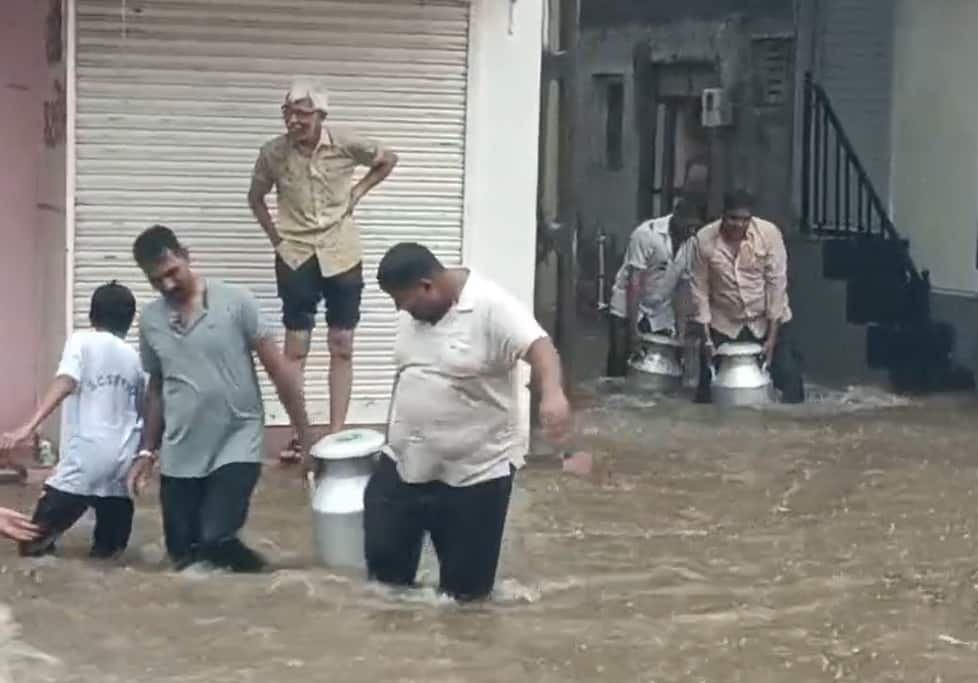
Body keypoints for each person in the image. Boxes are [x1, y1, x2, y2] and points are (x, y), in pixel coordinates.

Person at [365, 243, 572, 602]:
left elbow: (541, 348)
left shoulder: (491, 306)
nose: (401, 310)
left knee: (465, 602)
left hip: (474, 477)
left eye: (404, 302)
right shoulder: (417, 314)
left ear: (427, 286)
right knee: (385, 588)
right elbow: (406, 378)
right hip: (404, 467)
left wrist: (552, 393)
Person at [126, 225, 312, 573]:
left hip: (236, 439)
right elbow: (156, 390)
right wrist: (147, 452)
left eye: (172, 272)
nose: (168, 285)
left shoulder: (235, 302)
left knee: (217, 538)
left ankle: (275, 582)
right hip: (180, 450)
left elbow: (280, 371)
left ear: (186, 255)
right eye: (156, 280)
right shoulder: (151, 320)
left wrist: (306, 437)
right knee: (182, 559)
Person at [248, 78, 399, 462]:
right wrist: (277, 241)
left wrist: (358, 192)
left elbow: (387, 159)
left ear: (320, 115)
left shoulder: (345, 142)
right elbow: (256, 198)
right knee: (296, 347)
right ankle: (299, 432)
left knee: (342, 344)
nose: (293, 121)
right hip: (296, 257)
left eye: (302, 113)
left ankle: (335, 432)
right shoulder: (273, 153)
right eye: (288, 113)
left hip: (341, 253)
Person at [0, 281, 144, 559]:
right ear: (129, 321)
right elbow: (143, 412)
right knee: (110, 556)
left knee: (33, 546)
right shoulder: (135, 359)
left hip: (83, 462)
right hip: (121, 468)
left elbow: (66, 380)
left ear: (92, 316)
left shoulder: (82, 341)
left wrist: (28, 426)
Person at [689, 189, 805, 404]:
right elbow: (699, 289)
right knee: (709, 388)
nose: (739, 225)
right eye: (733, 218)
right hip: (724, 320)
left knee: (789, 378)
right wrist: (705, 338)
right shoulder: (704, 240)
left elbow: (776, 284)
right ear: (723, 215)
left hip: (766, 317)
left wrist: (772, 338)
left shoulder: (769, 234)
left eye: (745, 219)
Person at [606, 199, 704, 376]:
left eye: (695, 227)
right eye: (688, 226)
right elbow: (634, 282)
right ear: (676, 217)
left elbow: (682, 288)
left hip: (660, 311)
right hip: (627, 307)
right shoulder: (646, 234)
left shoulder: (691, 242)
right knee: (620, 363)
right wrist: (633, 330)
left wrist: (680, 332)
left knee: (661, 365)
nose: (691, 231)